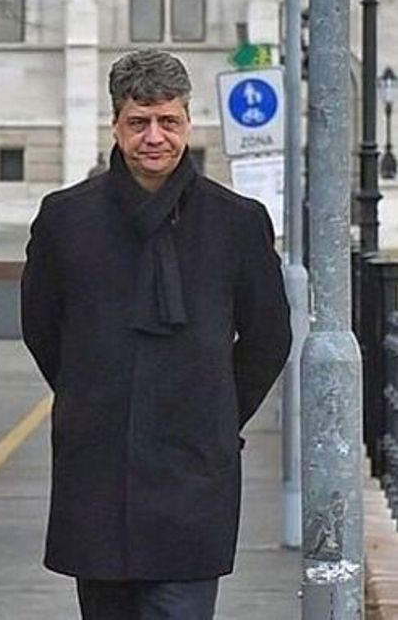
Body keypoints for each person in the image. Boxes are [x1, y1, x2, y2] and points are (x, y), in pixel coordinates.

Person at [21, 49, 291, 619]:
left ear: (188, 121)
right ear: (115, 125)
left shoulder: (237, 221)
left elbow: (268, 337)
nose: (154, 137)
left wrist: (217, 414)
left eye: (168, 121)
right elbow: (41, 327)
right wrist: (92, 395)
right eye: (138, 122)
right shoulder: (65, 218)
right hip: (97, 466)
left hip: (194, 471)